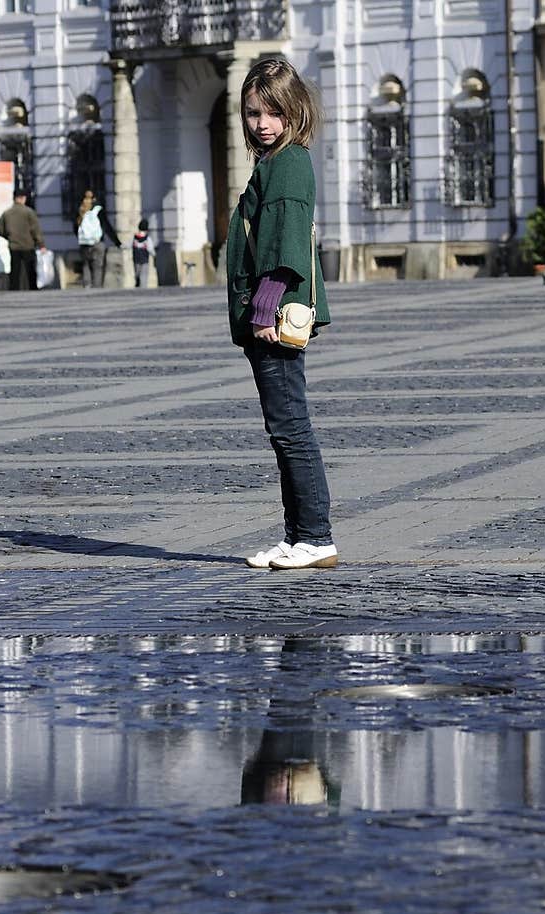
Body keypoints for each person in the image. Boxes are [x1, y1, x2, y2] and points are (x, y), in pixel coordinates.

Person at [225, 57, 337, 572]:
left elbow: (285, 243)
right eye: (253, 113)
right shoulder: (273, 163)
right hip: (264, 315)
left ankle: (315, 536)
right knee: (284, 426)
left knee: (291, 427)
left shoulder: (288, 163)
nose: (262, 123)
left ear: (294, 112)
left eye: (273, 112)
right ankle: (299, 538)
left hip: (272, 316)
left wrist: (264, 307)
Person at [0, 191, 46, 291]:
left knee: (15, 270)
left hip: (14, 245)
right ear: (23, 198)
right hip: (28, 245)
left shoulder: (7, 213)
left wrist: (9, 236)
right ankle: (33, 288)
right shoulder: (29, 212)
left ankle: (14, 289)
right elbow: (35, 230)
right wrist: (41, 244)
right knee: (30, 270)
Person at [75, 189, 121, 288]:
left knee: (86, 265)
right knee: (98, 267)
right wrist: (117, 242)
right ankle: (97, 287)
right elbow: (106, 226)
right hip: (98, 243)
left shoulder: (81, 210)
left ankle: (87, 286)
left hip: (84, 243)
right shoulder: (98, 210)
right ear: (94, 198)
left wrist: (81, 237)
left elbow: (75, 227)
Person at [131, 218, 156, 288]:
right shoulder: (147, 238)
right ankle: (143, 287)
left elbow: (128, 245)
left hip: (136, 258)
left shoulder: (135, 237)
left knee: (137, 273)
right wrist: (154, 255)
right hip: (145, 259)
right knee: (144, 274)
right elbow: (150, 249)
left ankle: (137, 282)